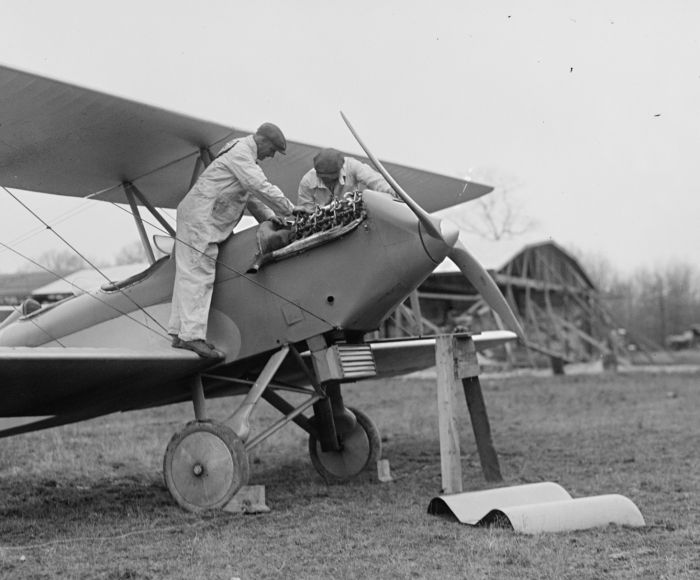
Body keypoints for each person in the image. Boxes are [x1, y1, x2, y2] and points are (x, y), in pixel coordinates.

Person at [168, 123, 296, 358]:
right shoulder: (241, 154)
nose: (271, 155)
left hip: (199, 215)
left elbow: (251, 197)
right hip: (201, 218)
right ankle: (191, 337)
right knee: (200, 272)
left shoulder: (241, 155)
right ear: (263, 140)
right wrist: (292, 210)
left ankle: (180, 333)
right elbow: (258, 186)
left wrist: (272, 217)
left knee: (190, 272)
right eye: (273, 150)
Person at [297, 148, 397, 211]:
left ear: (341, 169)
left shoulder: (352, 166)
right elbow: (306, 210)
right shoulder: (307, 182)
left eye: (332, 178)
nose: (329, 182)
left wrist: (393, 192)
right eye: (324, 178)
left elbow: (376, 181)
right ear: (317, 173)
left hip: (352, 212)